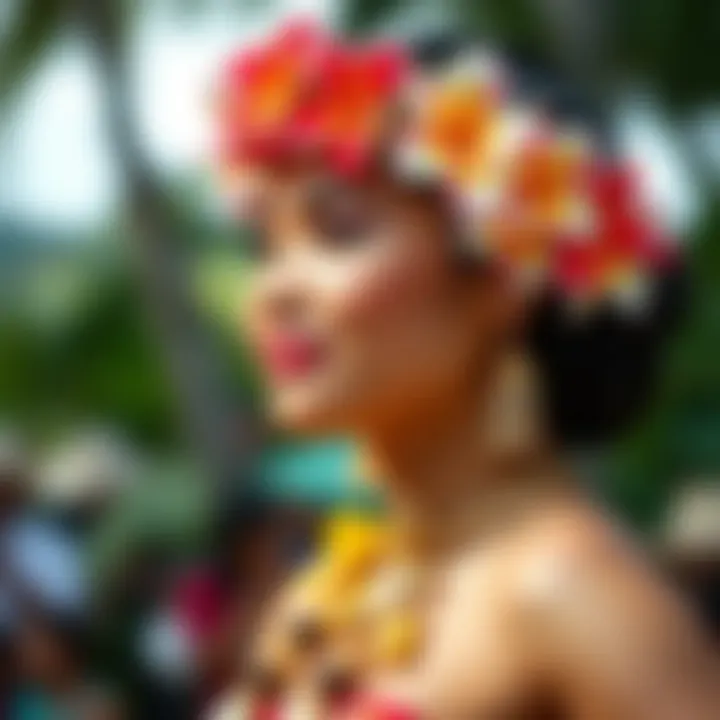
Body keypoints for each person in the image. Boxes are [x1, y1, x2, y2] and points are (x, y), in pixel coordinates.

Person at [210, 21, 719, 718]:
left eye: (338, 230)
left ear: (504, 278)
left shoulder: (565, 595)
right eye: (263, 245)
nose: (273, 290)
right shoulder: (326, 596)